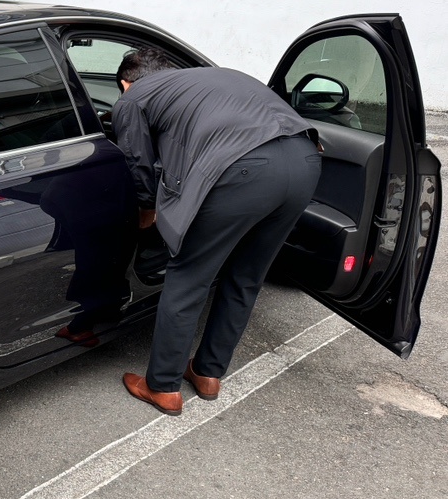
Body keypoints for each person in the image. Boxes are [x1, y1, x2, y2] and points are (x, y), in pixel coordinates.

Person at [111, 48, 322, 416]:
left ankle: (162, 386)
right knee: (246, 276)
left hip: (243, 170)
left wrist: (147, 210)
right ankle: (208, 373)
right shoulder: (213, 76)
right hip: (306, 160)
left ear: (126, 83)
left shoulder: (134, 98)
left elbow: (135, 162)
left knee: (189, 276)